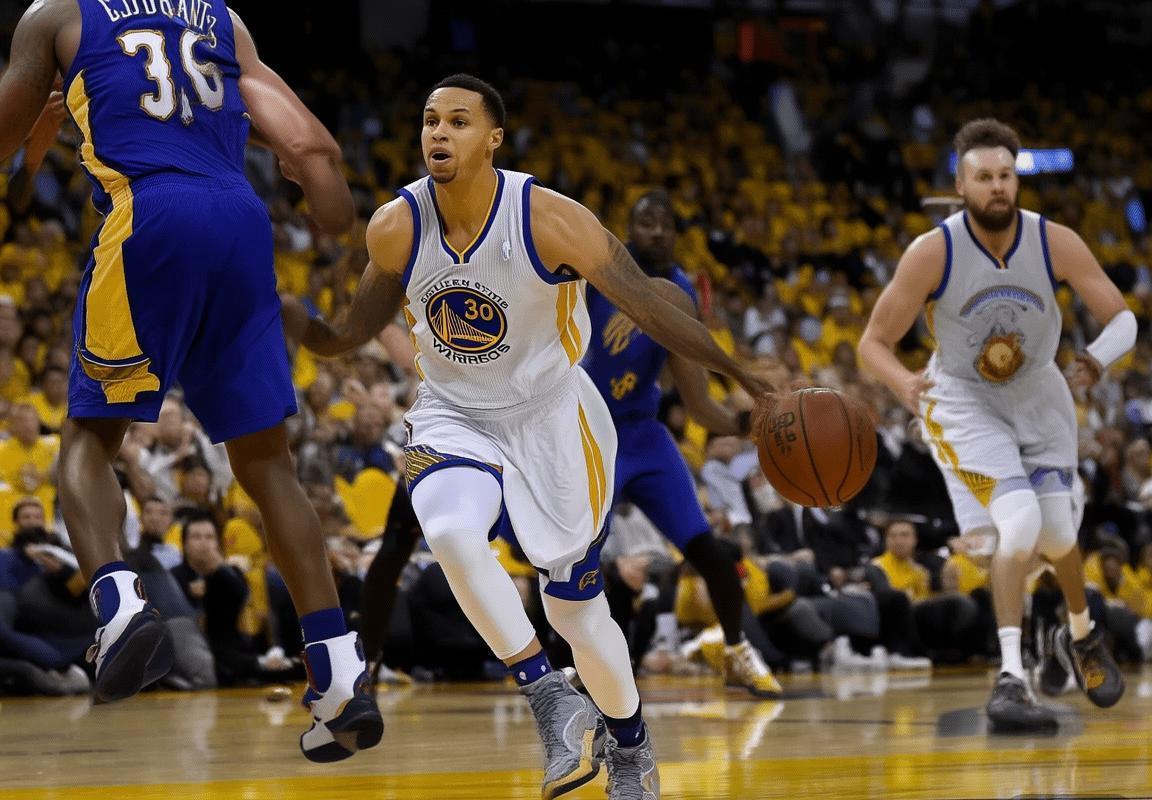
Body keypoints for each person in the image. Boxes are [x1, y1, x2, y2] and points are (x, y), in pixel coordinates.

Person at [285, 73, 770, 800]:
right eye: (430, 120)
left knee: (574, 609)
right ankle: (550, 698)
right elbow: (352, 331)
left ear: (494, 139)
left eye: (458, 121)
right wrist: (302, 326)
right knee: (449, 534)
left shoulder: (549, 219)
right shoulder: (395, 226)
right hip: (453, 411)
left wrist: (746, 378)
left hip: (552, 416)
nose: (439, 132)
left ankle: (632, 747)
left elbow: (649, 306)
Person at [0, 0, 382, 761]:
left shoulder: (56, 16)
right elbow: (314, 151)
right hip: (241, 224)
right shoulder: (223, 19)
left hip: (149, 215)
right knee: (267, 464)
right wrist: (329, 209)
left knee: (88, 438)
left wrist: (34, 149)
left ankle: (117, 602)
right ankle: (339, 673)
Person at [857, 118, 1129, 731]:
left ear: (1016, 181)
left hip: (1040, 395)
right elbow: (872, 343)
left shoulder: (1054, 240)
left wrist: (1096, 358)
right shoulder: (933, 251)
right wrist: (901, 382)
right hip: (964, 398)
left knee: (1057, 534)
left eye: (1006, 175)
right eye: (984, 177)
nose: (997, 186)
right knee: (1022, 523)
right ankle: (1010, 678)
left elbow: (1123, 318)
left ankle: (1079, 634)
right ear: (961, 185)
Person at [580, 190, 781, 697]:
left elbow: (698, 402)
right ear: (628, 229)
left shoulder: (681, 292)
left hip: (643, 434)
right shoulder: (595, 274)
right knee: (578, 561)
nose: (657, 232)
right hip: (587, 431)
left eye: (665, 223)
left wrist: (745, 425)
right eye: (645, 222)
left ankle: (735, 650)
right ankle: (576, 669)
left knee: (710, 550)